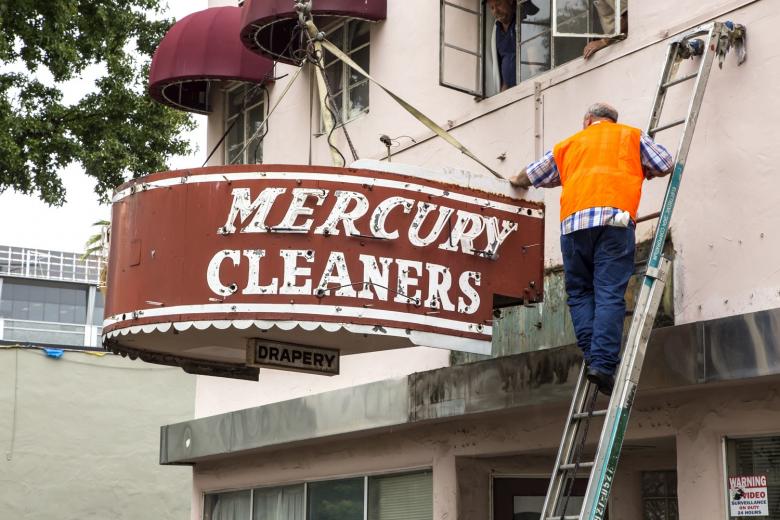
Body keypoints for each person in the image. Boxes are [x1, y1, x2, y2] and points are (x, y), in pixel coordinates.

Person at [508, 103, 674, 395]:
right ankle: (602, 363)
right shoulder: (630, 135)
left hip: (574, 227)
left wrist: (514, 181)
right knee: (609, 292)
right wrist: (643, 169)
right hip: (615, 222)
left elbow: (530, 175)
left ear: (588, 120)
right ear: (612, 121)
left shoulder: (570, 145)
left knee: (580, 293)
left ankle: (593, 357)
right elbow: (665, 163)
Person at [487, 0, 539, 91]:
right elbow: (502, 65)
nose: (495, 11)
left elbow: (534, 59)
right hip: (511, 91)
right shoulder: (496, 30)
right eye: (492, 8)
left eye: (498, 4)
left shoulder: (524, 20)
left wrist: (535, 81)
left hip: (527, 87)